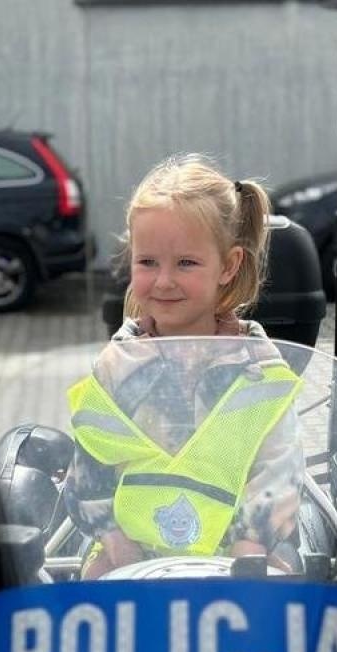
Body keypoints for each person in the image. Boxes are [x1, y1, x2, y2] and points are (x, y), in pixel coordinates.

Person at [62, 154, 303, 576]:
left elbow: (279, 465)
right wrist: (114, 543)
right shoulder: (116, 366)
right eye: (147, 262)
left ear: (228, 266)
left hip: (237, 554)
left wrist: (251, 544)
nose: (164, 280)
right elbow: (88, 470)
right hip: (133, 556)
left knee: (291, 599)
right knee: (89, 595)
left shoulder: (260, 369)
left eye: (186, 263)